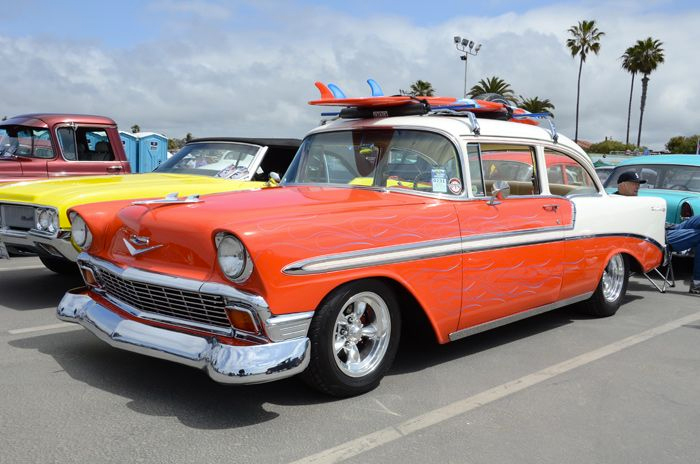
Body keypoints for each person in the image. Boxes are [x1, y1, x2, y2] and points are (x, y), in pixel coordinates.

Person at [614, 171, 700, 294]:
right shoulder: (615, 203)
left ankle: (697, 282)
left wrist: (665, 224)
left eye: (638, 184)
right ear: (621, 185)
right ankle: (697, 283)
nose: (637, 186)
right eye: (633, 183)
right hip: (653, 239)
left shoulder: (635, 201)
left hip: (663, 229)